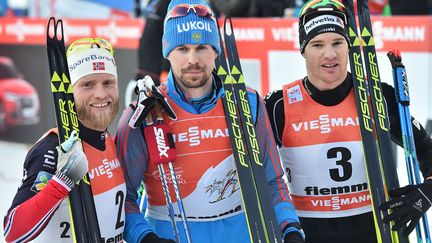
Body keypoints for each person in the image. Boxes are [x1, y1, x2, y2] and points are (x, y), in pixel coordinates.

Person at [115, 0, 305, 242]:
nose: (193, 59)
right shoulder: (143, 113)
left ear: (215, 50)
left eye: (202, 46)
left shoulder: (247, 102)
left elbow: (272, 180)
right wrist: (144, 237)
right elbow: (124, 198)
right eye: (182, 48)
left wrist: (290, 227)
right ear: (167, 51)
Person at [263, 0, 432, 242]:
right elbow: (257, 176)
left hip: (377, 231)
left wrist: (427, 192)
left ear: (348, 47)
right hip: (308, 235)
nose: (329, 54)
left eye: (338, 43)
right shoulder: (279, 105)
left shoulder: (376, 96)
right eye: (317, 44)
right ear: (303, 50)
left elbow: (427, 149)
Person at [3, 38, 126, 242]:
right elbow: (13, 231)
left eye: (108, 83)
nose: (100, 94)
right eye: (87, 84)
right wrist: (62, 181)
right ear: (69, 92)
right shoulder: (52, 148)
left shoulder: (108, 141)